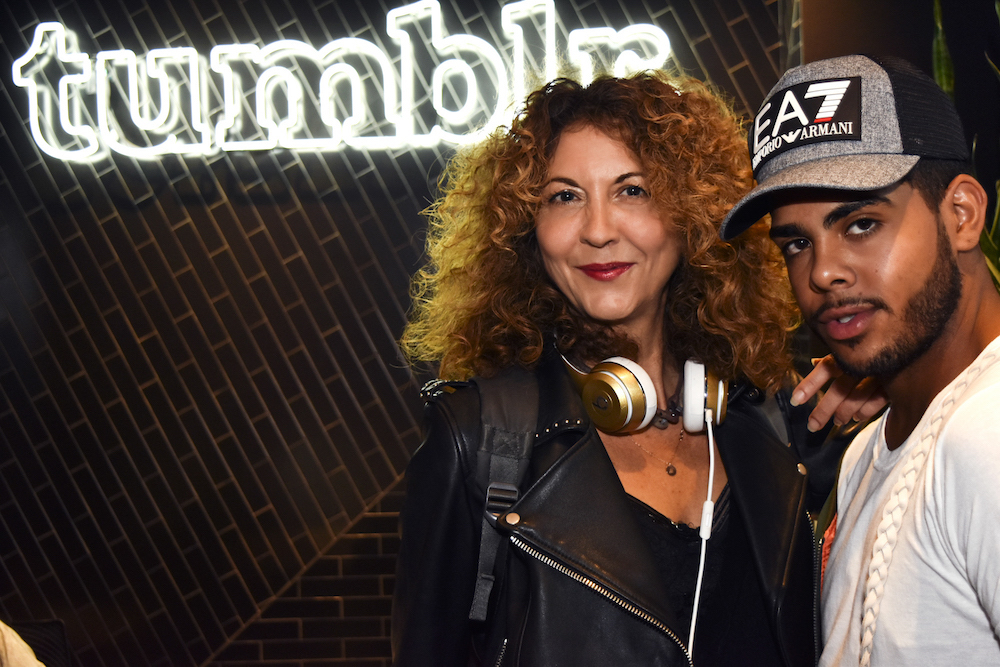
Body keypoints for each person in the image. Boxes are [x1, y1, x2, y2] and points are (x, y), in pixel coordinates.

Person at [392, 71, 853, 667]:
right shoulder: (477, 439)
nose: (598, 230)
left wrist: (883, 402)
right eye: (565, 197)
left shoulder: (766, 419)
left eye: (632, 190)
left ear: (691, 214)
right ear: (527, 231)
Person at [721, 54, 1000, 667]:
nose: (822, 272)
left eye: (862, 224)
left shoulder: (987, 433)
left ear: (961, 215)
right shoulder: (875, 445)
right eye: (797, 243)